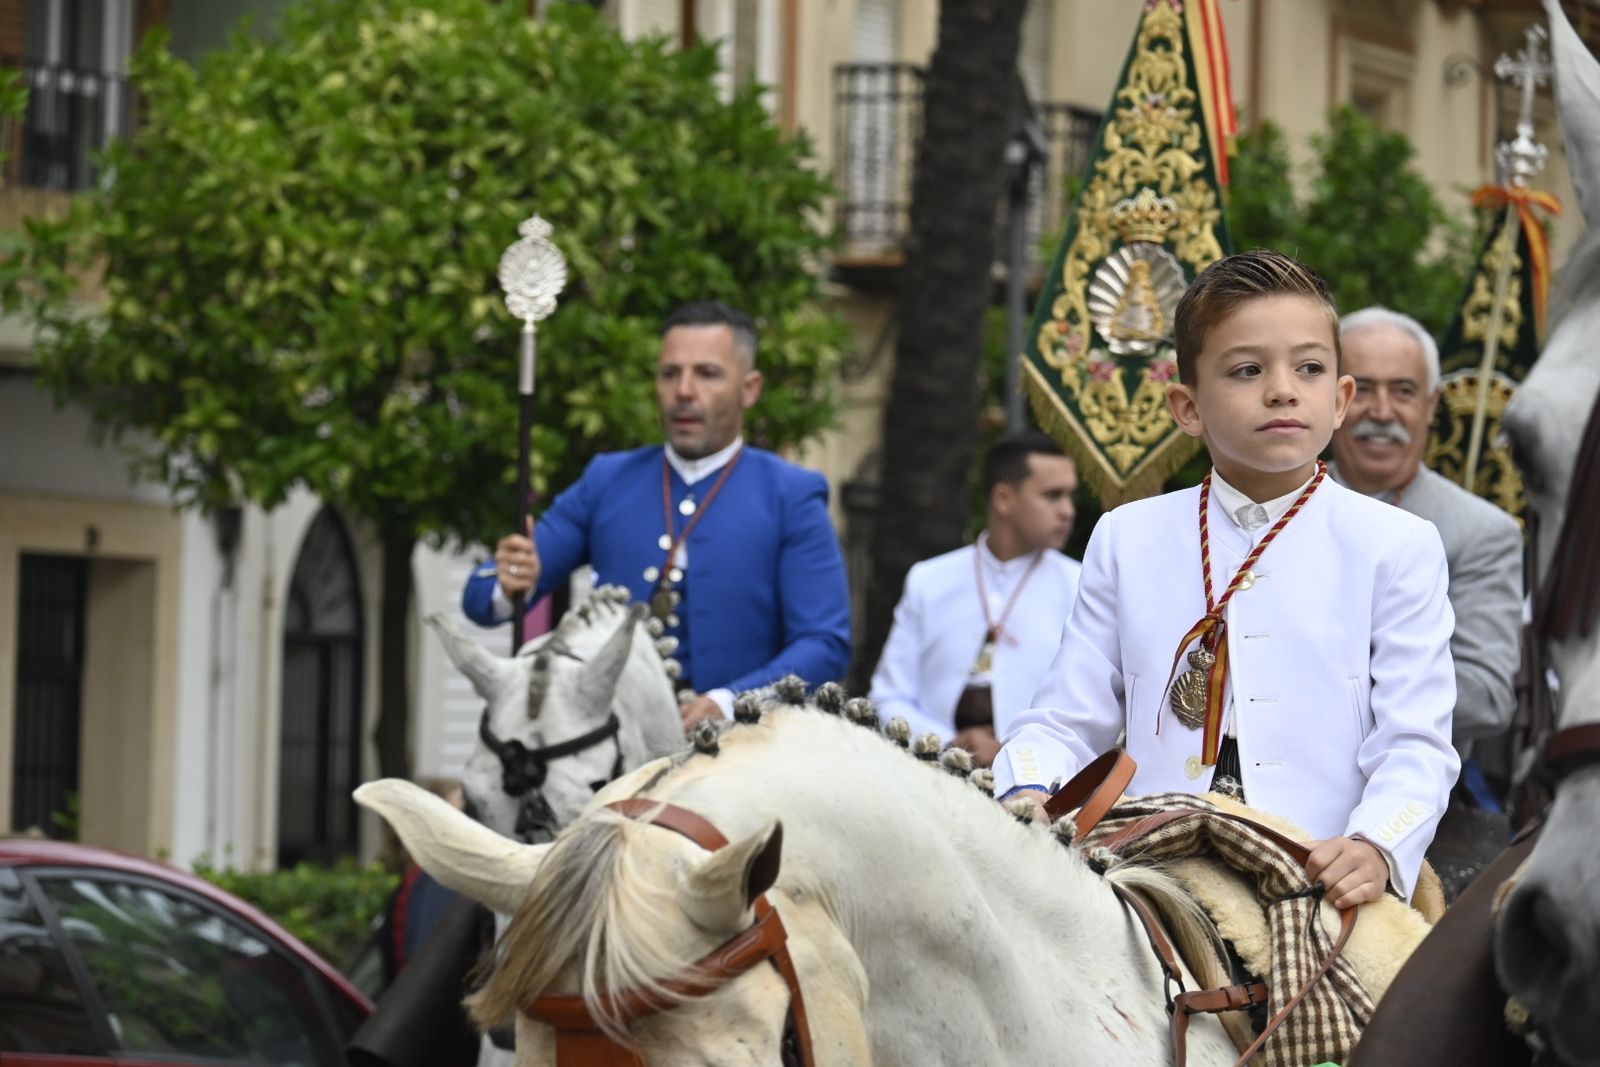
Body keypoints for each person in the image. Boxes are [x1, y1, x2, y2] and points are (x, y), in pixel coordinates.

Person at [994, 250, 1460, 909]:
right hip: (1149, 861)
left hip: (1318, 868)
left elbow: (1416, 742)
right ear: (1187, 407)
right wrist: (1026, 786)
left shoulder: (1397, 544)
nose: (1282, 389)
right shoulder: (1127, 536)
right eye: (1247, 370)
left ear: (1340, 400)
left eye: (1309, 368)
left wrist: (1377, 843)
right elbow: (1066, 719)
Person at [462, 300, 851, 731]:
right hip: (613, 744)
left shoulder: (790, 494)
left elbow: (824, 645)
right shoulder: (608, 479)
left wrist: (729, 702)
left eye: (707, 374)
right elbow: (480, 598)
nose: (684, 390)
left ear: (750, 388)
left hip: (742, 747)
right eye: (670, 374)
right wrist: (510, 579)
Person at [1328, 307, 1523, 757]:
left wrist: (1314, 678)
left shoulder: (1480, 533)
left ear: (1432, 404)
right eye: (1363, 389)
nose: (1382, 412)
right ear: (1334, 399)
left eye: (1403, 391)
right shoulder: (1278, 506)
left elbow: (1487, 696)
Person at [869, 432, 1082, 767]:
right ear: (1003, 499)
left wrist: (1017, 755)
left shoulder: (1080, 585)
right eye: (1052, 495)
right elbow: (887, 697)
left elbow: (1088, 708)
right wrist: (949, 744)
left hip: (1042, 781)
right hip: (929, 773)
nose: (1068, 511)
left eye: (1070, 495)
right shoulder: (929, 580)